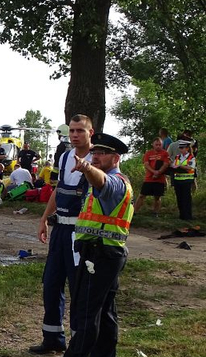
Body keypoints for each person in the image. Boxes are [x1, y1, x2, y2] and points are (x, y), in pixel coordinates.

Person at [64, 133, 133, 357]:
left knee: (86, 312)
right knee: (105, 311)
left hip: (101, 254)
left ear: (116, 158)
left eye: (101, 153)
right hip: (103, 253)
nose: (95, 157)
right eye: (94, 152)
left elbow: (103, 182)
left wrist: (85, 167)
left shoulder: (116, 182)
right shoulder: (101, 180)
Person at [30, 114, 94, 355]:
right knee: (51, 283)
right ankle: (53, 338)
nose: (75, 135)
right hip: (60, 230)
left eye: (80, 131)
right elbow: (59, 190)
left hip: (80, 234)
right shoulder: (66, 156)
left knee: (78, 287)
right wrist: (44, 219)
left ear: (91, 133)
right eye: (72, 131)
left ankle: (79, 344)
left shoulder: (96, 159)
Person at [134, 138, 169, 217]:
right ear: (153, 145)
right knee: (142, 195)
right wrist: (154, 172)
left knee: (157, 197)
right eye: (156, 144)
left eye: (159, 145)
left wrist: (158, 172)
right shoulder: (148, 153)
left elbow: (165, 164)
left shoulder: (165, 153)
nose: (158, 146)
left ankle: (155, 212)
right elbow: (146, 164)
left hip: (160, 179)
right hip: (149, 178)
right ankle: (134, 211)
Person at [171, 140, 196, 220]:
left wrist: (180, 166)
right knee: (179, 199)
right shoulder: (177, 157)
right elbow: (174, 165)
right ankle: (181, 216)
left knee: (186, 199)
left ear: (187, 148)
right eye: (180, 148)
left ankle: (188, 217)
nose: (180, 149)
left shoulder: (191, 157)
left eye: (182, 148)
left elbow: (190, 167)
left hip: (187, 181)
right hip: (178, 181)